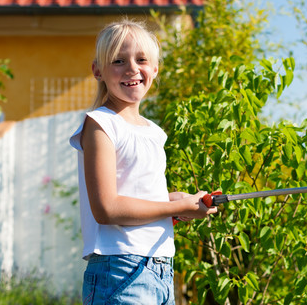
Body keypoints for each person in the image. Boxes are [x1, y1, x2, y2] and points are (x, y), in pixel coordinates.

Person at [70, 19, 217, 304]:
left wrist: (178, 200)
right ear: (97, 70)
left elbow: (142, 195)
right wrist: (175, 207)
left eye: (142, 60)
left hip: (161, 268)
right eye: (118, 60)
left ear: (155, 69)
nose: (132, 69)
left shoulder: (154, 133)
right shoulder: (100, 124)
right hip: (120, 270)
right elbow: (107, 208)